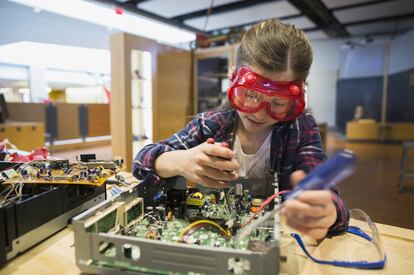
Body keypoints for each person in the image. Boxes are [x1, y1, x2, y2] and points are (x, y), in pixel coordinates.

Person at [133, 19, 348, 239]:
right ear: (232, 77)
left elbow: (329, 198)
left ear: (297, 97)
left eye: (278, 102)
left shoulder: (301, 129)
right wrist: (180, 161)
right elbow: (141, 163)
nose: (259, 112)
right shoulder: (210, 125)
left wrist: (327, 212)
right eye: (250, 94)